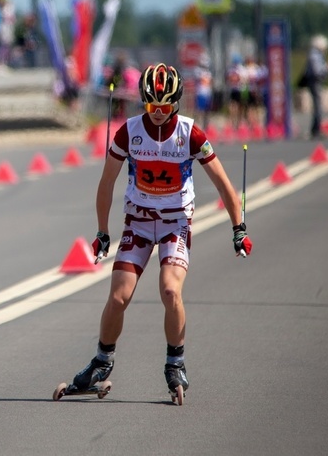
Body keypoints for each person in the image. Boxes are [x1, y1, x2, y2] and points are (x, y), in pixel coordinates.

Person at [64, 63, 253, 401]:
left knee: (170, 291)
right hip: (137, 223)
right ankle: (101, 362)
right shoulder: (129, 131)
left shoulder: (191, 134)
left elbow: (224, 184)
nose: (158, 114)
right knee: (119, 296)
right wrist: (103, 231)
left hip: (174, 225)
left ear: (176, 104)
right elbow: (106, 183)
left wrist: (238, 228)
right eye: (152, 106)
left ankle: (175, 364)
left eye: (165, 107)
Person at [304, 35, 328, 139]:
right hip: (315, 82)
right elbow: (317, 71)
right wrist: (327, 68)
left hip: (315, 82)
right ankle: (316, 129)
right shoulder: (315, 55)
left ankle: (316, 128)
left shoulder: (315, 54)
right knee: (318, 106)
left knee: (318, 106)